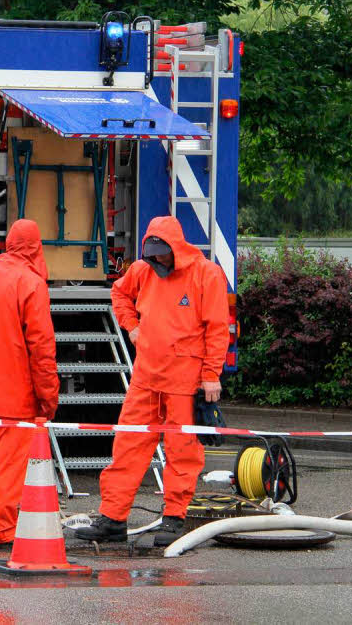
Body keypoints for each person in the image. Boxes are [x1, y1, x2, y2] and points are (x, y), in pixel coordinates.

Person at [76, 215, 228, 543]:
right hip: (146, 378)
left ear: (175, 248)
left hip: (185, 383)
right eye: (153, 254)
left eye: (162, 254)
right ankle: (113, 519)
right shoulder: (143, 271)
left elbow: (217, 328)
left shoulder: (206, 274)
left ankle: (174, 518)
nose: (158, 260)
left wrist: (211, 374)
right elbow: (119, 294)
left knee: (182, 452)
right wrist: (131, 327)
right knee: (128, 446)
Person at [0, 219, 59, 548]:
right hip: (14, 392)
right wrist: (48, 399)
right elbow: (42, 349)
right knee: (7, 467)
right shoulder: (31, 284)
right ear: (35, 247)